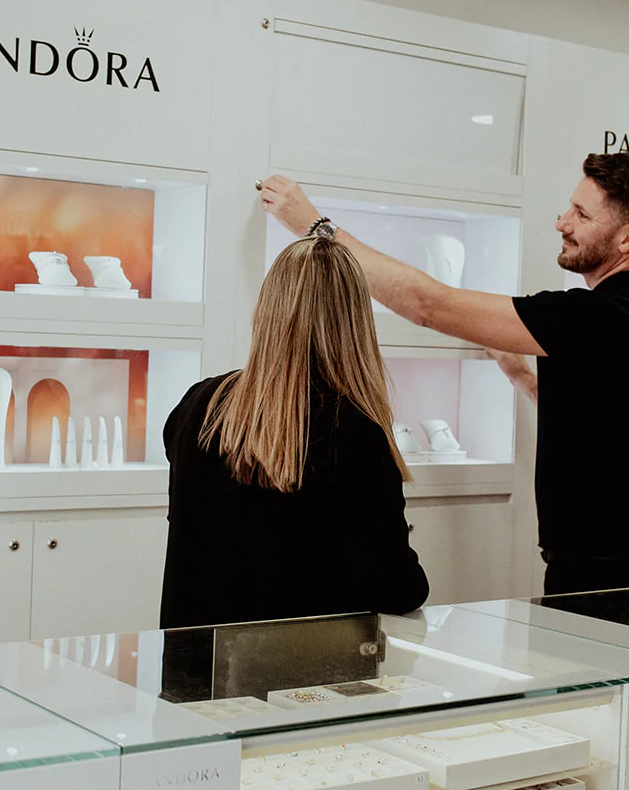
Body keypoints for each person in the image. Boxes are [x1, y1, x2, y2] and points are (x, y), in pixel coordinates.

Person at [260, 152, 629, 594]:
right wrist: (523, 377)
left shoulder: (601, 316)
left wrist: (316, 228)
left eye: (582, 215)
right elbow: (609, 419)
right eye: (569, 207)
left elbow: (428, 305)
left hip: (610, 578)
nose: (562, 222)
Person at [158, 234, 430, 628]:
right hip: (299, 664)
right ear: (355, 323)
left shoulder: (199, 404)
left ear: (267, 308)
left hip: (194, 656)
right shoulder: (354, 431)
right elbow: (397, 587)